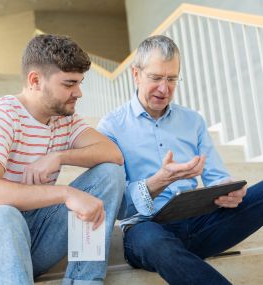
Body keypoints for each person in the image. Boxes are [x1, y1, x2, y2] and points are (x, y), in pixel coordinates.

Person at [97, 35, 263, 285]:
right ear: (136, 74)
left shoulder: (192, 121)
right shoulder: (111, 127)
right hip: (145, 229)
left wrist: (229, 191)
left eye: (172, 79)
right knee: (155, 242)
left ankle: (183, 260)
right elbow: (117, 206)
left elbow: (217, 177)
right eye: (155, 78)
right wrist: (158, 182)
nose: (164, 89)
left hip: (199, 223)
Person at [0, 34, 125, 285]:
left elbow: (113, 154)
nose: (78, 93)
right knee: (4, 214)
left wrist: (58, 156)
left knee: (110, 173)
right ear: (35, 80)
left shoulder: (64, 119)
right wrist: (65, 193)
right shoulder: (1, 115)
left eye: (79, 83)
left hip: (36, 238)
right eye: (69, 84)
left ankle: (83, 281)